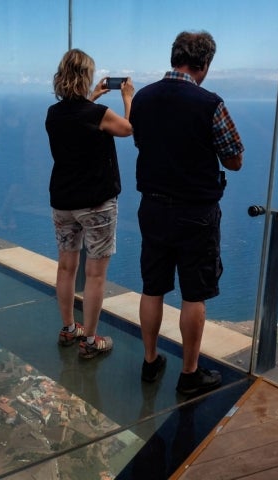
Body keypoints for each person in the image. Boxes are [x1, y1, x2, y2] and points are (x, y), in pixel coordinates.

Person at [130, 31, 244, 396]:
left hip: (152, 207)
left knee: (152, 287)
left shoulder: (143, 99)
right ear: (204, 64)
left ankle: (150, 362)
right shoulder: (210, 103)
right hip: (196, 212)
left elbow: (140, 140)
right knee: (194, 294)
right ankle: (189, 374)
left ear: (174, 56)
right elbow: (234, 159)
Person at [45, 49, 134, 359]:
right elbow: (127, 128)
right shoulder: (98, 115)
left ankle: (69, 328)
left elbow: (76, 120)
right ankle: (91, 340)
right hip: (96, 204)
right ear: (86, 78)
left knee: (66, 267)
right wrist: (128, 98)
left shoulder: (53, 114)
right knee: (95, 274)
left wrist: (92, 99)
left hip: (63, 202)